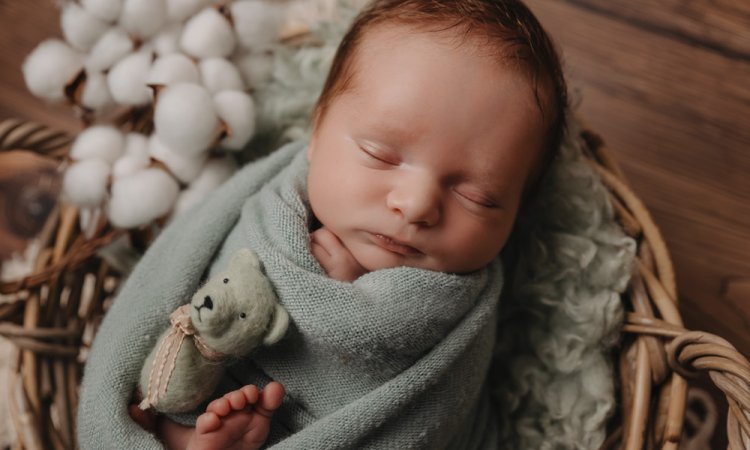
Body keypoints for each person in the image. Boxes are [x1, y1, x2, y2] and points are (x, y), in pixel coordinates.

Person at [92, 0, 567, 448]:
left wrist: (357, 302)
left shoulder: (460, 311)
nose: (417, 204)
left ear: (516, 210)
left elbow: (429, 420)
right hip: (200, 399)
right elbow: (178, 293)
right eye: (380, 154)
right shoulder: (267, 212)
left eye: (476, 196)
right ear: (316, 135)